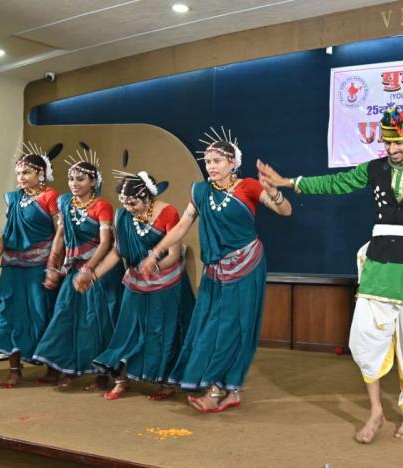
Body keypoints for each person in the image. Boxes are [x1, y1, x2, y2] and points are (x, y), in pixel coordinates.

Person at [258, 106, 403, 443]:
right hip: (379, 263)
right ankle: (376, 411)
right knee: (364, 337)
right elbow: (337, 182)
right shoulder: (375, 169)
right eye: (387, 142)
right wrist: (288, 182)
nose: (391, 148)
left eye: (398, 142)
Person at [139, 127, 292, 413]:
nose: (211, 166)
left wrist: (274, 193)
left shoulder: (248, 187)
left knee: (233, 327)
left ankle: (217, 390)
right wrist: (156, 253)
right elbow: (181, 227)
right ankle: (230, 390)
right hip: (216, 271)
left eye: (217, 161)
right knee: (209, 326)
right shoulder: (200, 192)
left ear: (233, 162)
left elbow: (286, 211)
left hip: (246, 266)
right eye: (208, 162)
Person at [86, 170, 195, 400]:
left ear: (147, 197)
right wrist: (93, 276)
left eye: (133, 203)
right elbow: (117, 252)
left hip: (167, 282)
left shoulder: (168, 212)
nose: (129, 208)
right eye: (124, 202)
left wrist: (153, 266)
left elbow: (174, 255)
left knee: (162, 333)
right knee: (126, 331)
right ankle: (121, 380)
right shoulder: (123, 216)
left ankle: (165, 382)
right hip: (136, 281)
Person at [33, 150, 124, 390]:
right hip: (75, 269)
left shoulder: (102, 206)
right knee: (66, 315)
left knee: (97, 321)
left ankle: (102, 375)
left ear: (93, 182)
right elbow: (60, 236)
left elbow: (106, 242)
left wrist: (90, 269)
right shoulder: (65, 202)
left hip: (100, 271)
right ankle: (69, 369)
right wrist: (52, 266)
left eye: (81, 179)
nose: (74, 183)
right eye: (71, 179)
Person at [0, 143, 61, 388]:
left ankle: (52, 366)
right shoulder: (15, 198)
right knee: (8, 312)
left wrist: (54, 265)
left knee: (41, 312)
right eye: (18, 173)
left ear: (41, 173)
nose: (21, 177)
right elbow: (9, 232)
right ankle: (14, 369)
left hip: (39, 265)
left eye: (26, 173)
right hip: (13, 265)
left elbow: (60, 234)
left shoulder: (50, 196)